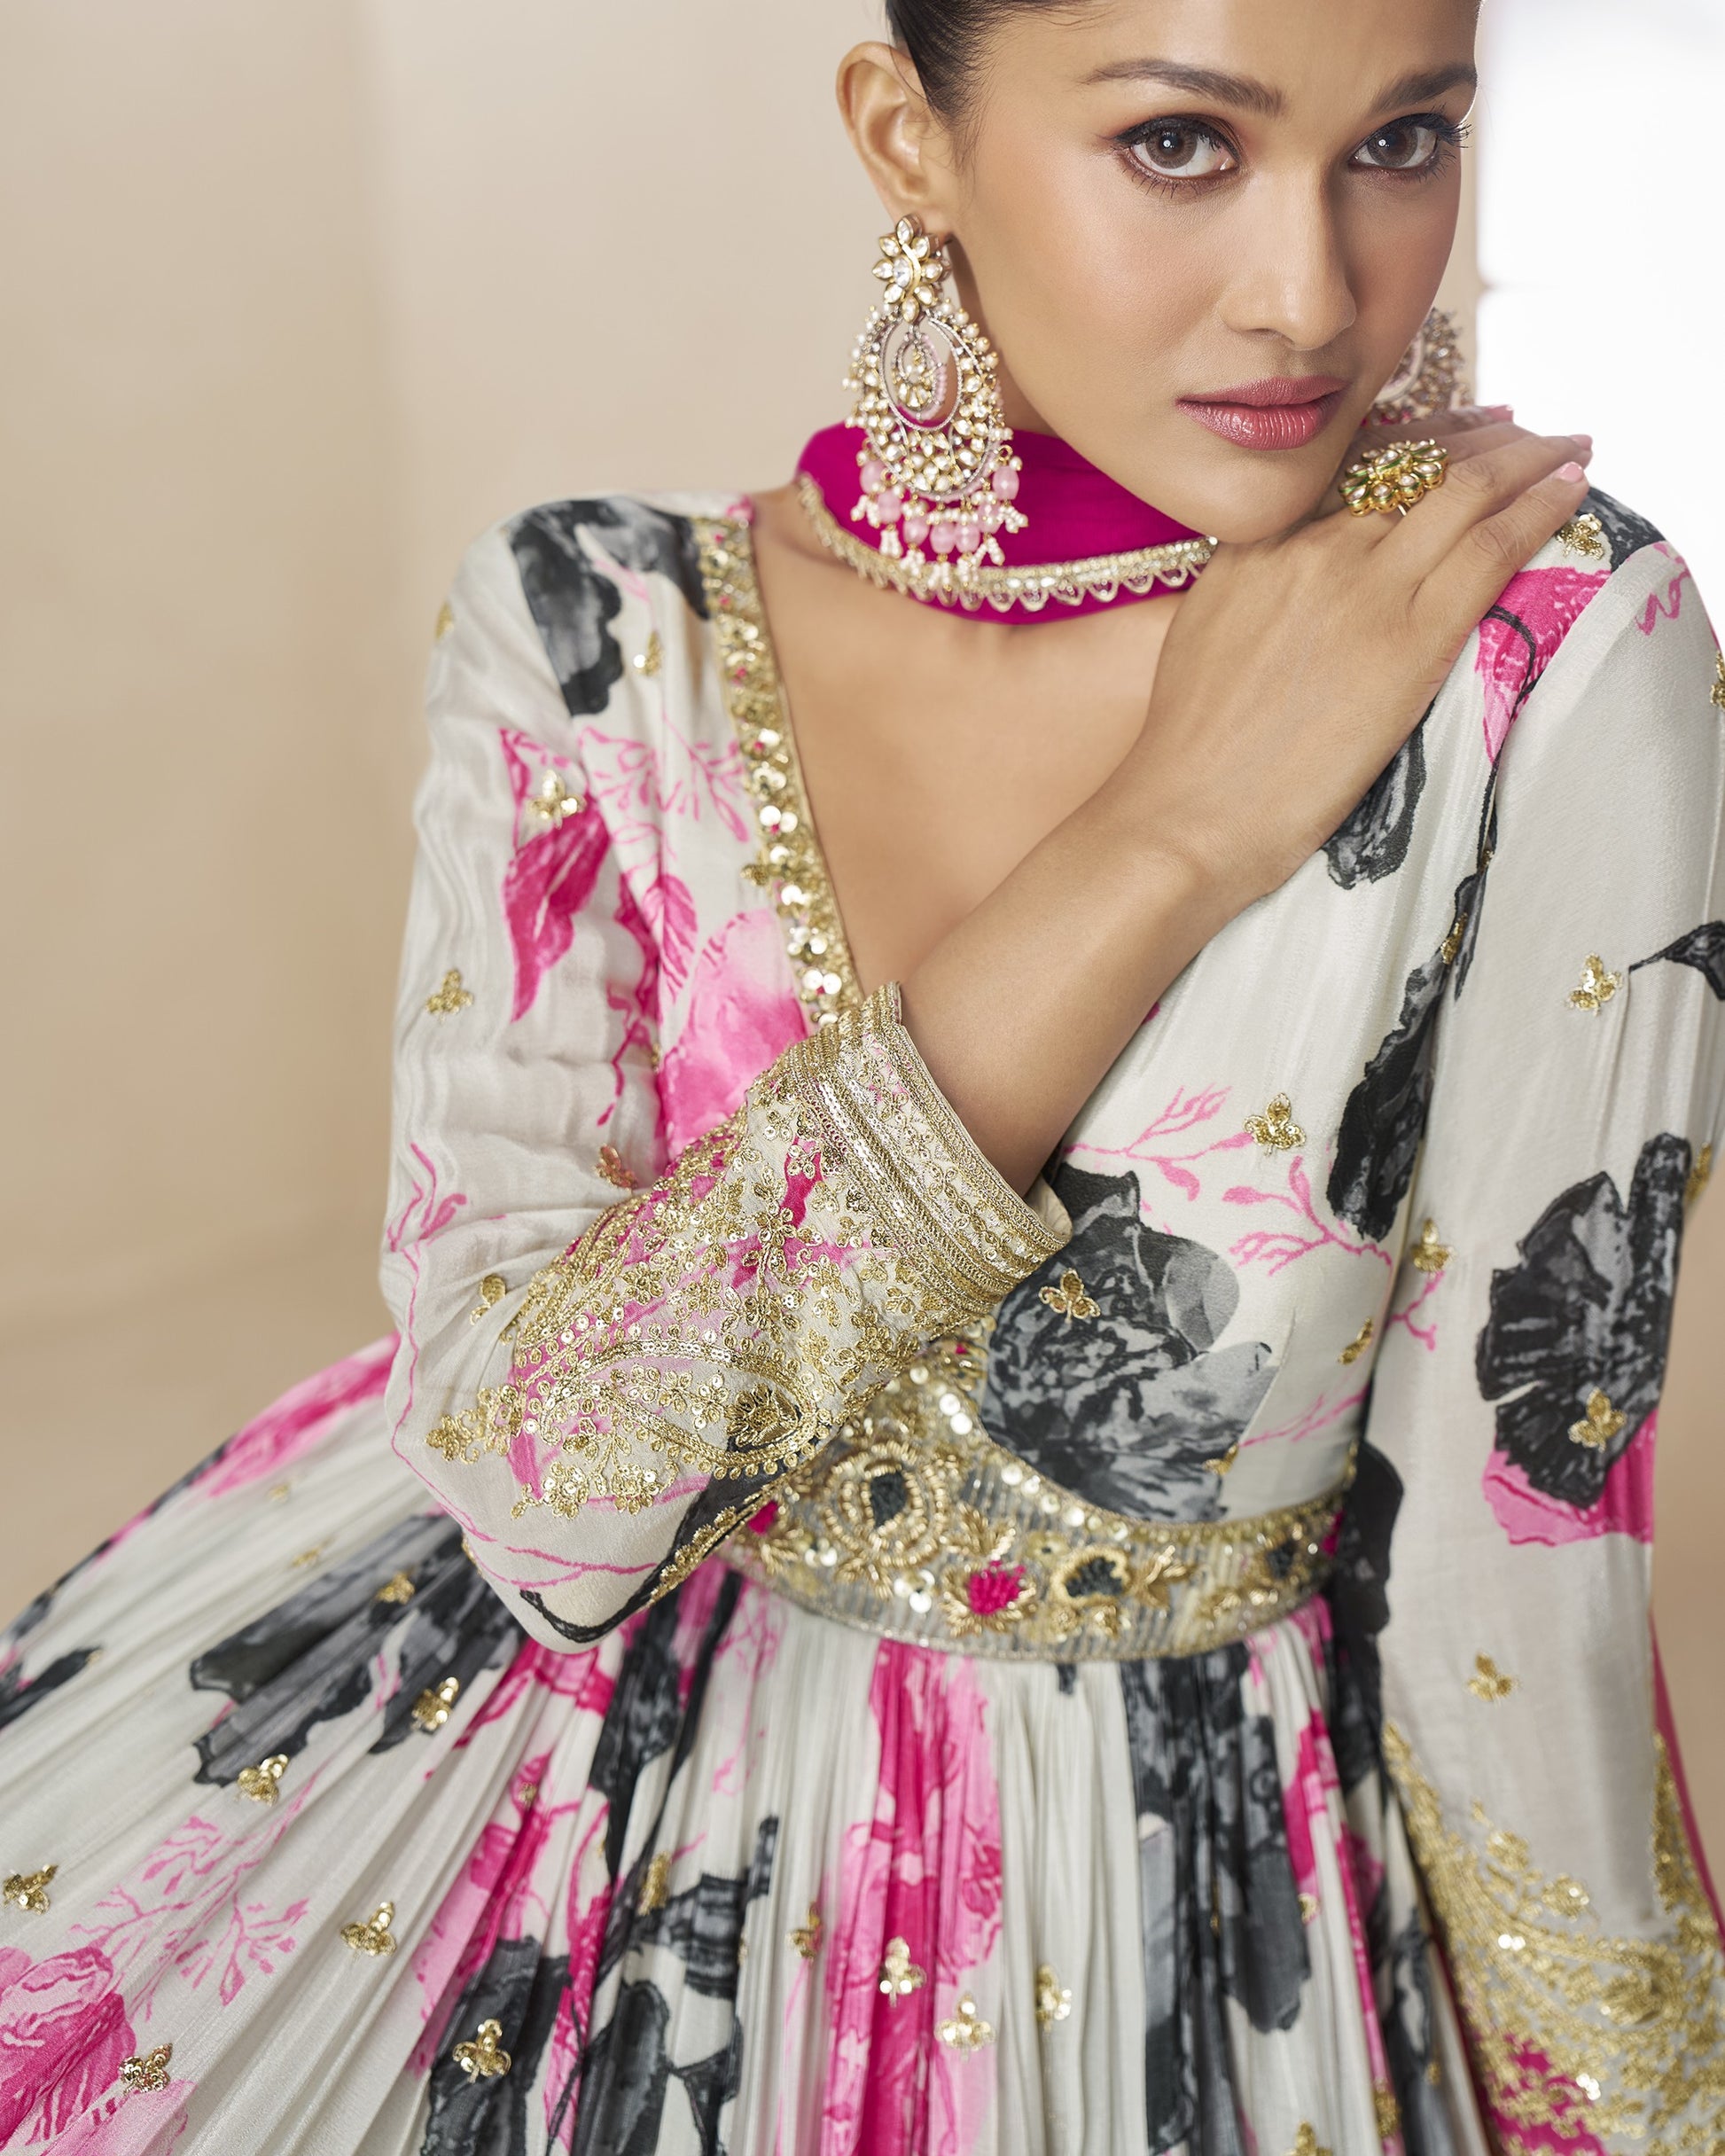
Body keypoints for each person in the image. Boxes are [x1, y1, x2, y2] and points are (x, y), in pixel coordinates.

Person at [4, 0, 1722, 2149]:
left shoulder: (1545, 647)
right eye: (1182, 146)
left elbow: (1517, 1570)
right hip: (559, 1797)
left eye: (1399, 142)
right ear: (909, 135)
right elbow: (544, 1500)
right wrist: (1160, 836)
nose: (1311, 292)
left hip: (1174, 1893)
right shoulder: (593, 623)